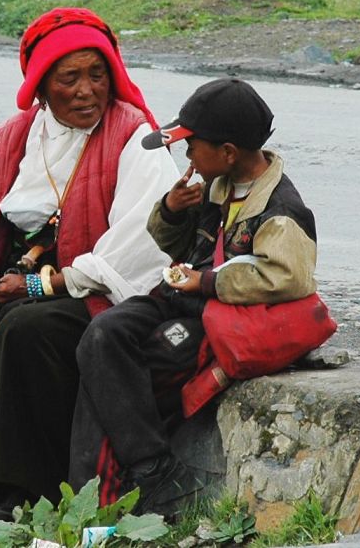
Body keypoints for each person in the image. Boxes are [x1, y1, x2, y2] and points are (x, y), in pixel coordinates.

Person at [0, 7, 180, 522]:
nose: (86, 90)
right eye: (68, 78)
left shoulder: (135, 135)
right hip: (20, 275)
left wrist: (42, 283)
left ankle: (24, 490)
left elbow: (141, 242)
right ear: (41, 85)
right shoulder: (15, 136)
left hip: (97, 289)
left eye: (98, 75)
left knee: (27, 332)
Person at [68, 77, 319, 516]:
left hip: (216, 318)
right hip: (180, 298)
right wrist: (171, 210)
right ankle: (148, 467)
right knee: (103, 334)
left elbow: (288, 278)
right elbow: (183, 249)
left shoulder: (281, 211)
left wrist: (204, 283)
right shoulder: (218, 186)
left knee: (124, 368)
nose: (186, 156)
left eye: (192, 146)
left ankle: (118, 489)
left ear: (226, 152)